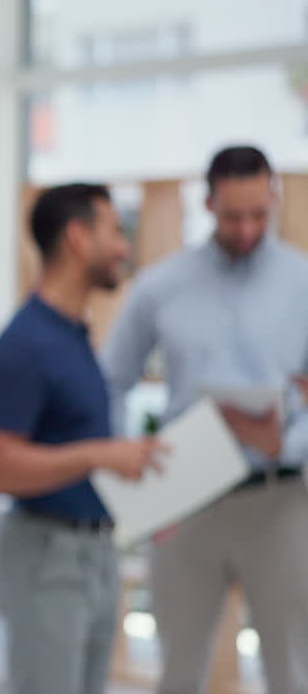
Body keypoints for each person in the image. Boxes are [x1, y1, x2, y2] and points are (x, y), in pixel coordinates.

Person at [102, 145, 308, 694]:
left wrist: (287, 443)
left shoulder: (303, 283)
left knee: (292, 669)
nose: (245, 230)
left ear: (275, 198)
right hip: (184, 498)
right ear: (208, 202)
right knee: (179, 669)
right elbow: (110, 382)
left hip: (281, 498)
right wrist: (127, 463)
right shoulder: (160, 285)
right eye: (231, 216)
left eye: (258, 215)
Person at [0, 183, 164, 694]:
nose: (124, 247)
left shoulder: (75, 337)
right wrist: (98, 454)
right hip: (45, 555)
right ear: (78, 239)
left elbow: (69, 447)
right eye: (114, 232)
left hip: (93, 552)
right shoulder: (23, 345)